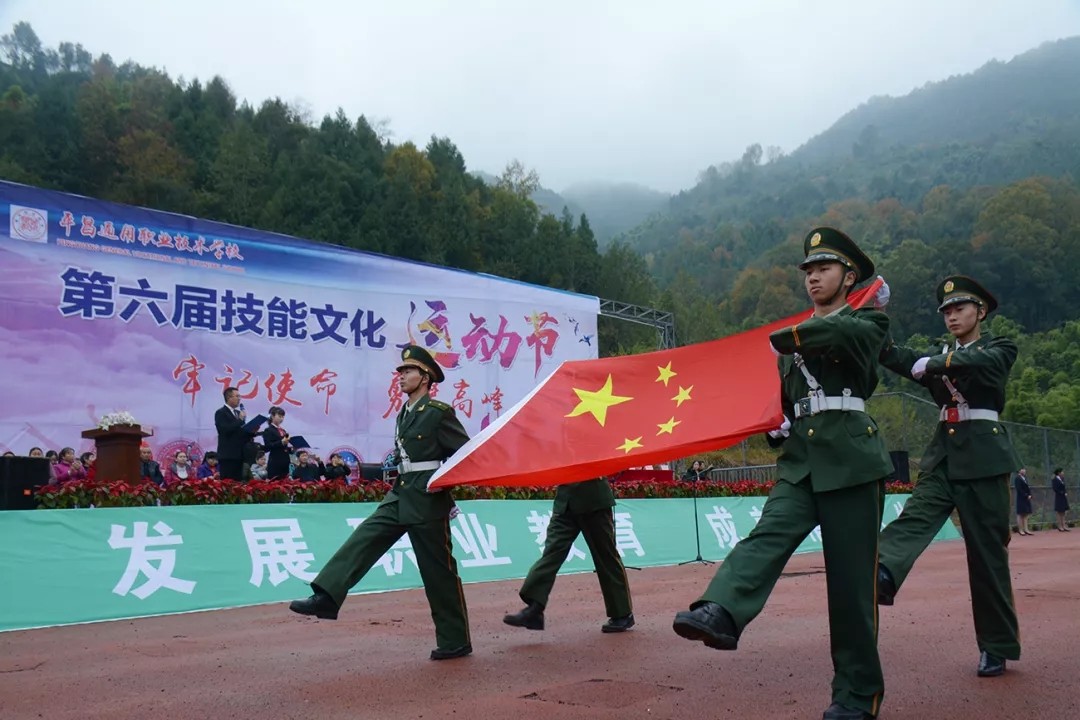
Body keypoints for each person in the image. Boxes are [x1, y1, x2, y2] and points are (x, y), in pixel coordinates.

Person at [672, 227, 892, 720]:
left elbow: (835, 335)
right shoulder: (791, 348)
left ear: (848, 277)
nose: (814, 277)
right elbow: (791, 405)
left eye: (825, 269)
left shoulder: (866, 325)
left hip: (853, 464)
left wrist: (775, 339)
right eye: (808, 271)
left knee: (852, 590)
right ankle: (722, 610)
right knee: (767, 534)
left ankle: (856, 697)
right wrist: (780, 427)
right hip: (802, 462)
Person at [876, 275, 1022, 679]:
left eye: (959, 308)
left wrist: (938, 363)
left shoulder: (999, 346)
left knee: (987, 558)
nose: (952, 315)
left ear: (980, 312)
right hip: (943, 455)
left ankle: (996, 646)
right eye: (947, 311)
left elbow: (987, 363)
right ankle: (882, 573)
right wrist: (876, 315)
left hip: (984, 458)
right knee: (916, 515)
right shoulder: (938, 356)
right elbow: (892, 355)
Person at [290, 345, 473, 661]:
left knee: (438, 573)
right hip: (401, 492)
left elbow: (465, 454)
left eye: (408, 371)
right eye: (400, 372)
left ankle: (455, 640)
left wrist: (443, 484)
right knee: (365, 537)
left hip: (428, 501)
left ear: (426, 376)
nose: (401, 377)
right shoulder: (405, 413)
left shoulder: (438, 413)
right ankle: (327, 596)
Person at [504, 477, 634, 633]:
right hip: (565, 502)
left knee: (605, 556)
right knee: (552, 553)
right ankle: (534, 608)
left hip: (594, 501)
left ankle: (622, 613)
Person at [215, 387, 259, 481]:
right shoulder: (221, 413)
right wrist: (239, 420)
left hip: (239, 455)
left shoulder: (238, 413)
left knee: (238, 485)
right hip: (228, 455)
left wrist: (252, 432)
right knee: (228, 485)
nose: (239, 398)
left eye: (240, 396)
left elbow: (241, 434)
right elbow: (224, 430)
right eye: (237, 396)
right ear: (229, 397)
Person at [261, 406, 292, 480]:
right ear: (272, 416)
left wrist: (291, 448)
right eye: (279, 416)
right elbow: (268, 446)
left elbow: (284, 447)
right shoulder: (268, 430)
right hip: (275, 462)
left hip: (285, 461)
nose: (281, 419)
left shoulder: (283, 430)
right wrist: (281, 442)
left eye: (283, 417)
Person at [1014, 468, 1032, 535]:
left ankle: (1026, 529)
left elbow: (1027, 488)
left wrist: (1030, 495)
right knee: (1020, 514)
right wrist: (1026, 495)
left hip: (1026, 499)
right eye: (1022, 469)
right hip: (1021, 498)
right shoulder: (1017, 478)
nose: (1024, 470)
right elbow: (1019, 489)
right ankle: (1020, 530)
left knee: (1026, 514)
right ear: (1019, 470)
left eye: (1024, 469)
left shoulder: (1024, 478)